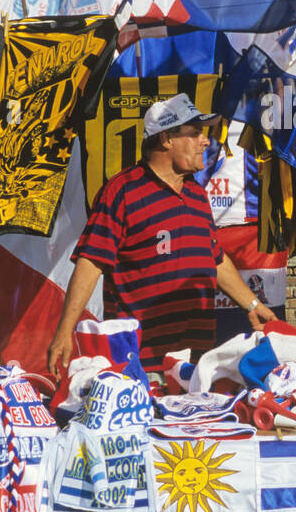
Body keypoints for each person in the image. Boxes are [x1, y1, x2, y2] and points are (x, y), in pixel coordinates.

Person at [46, 95, 276, 377]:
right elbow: (90, 263)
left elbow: (214, 259)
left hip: (195, 365)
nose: (206, 141)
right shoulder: (123, 191)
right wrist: (64, 331)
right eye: (195, 133)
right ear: (167, 139)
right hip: (141, 365)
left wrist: (252, 304)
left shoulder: (196, 193)